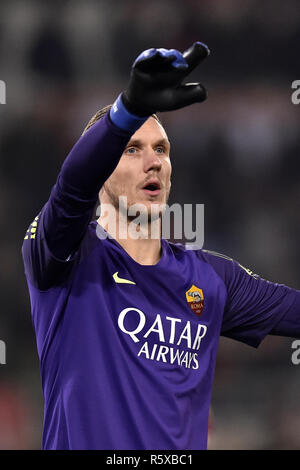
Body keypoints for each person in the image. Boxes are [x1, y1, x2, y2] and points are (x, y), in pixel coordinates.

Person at [22, 42, 300, 450]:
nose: (153, 161)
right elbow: (70, 189)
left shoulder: (212, 279)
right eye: (131, 149)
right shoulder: (65, 256)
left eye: (162, 150)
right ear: (100, 168)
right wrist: (127, 108)